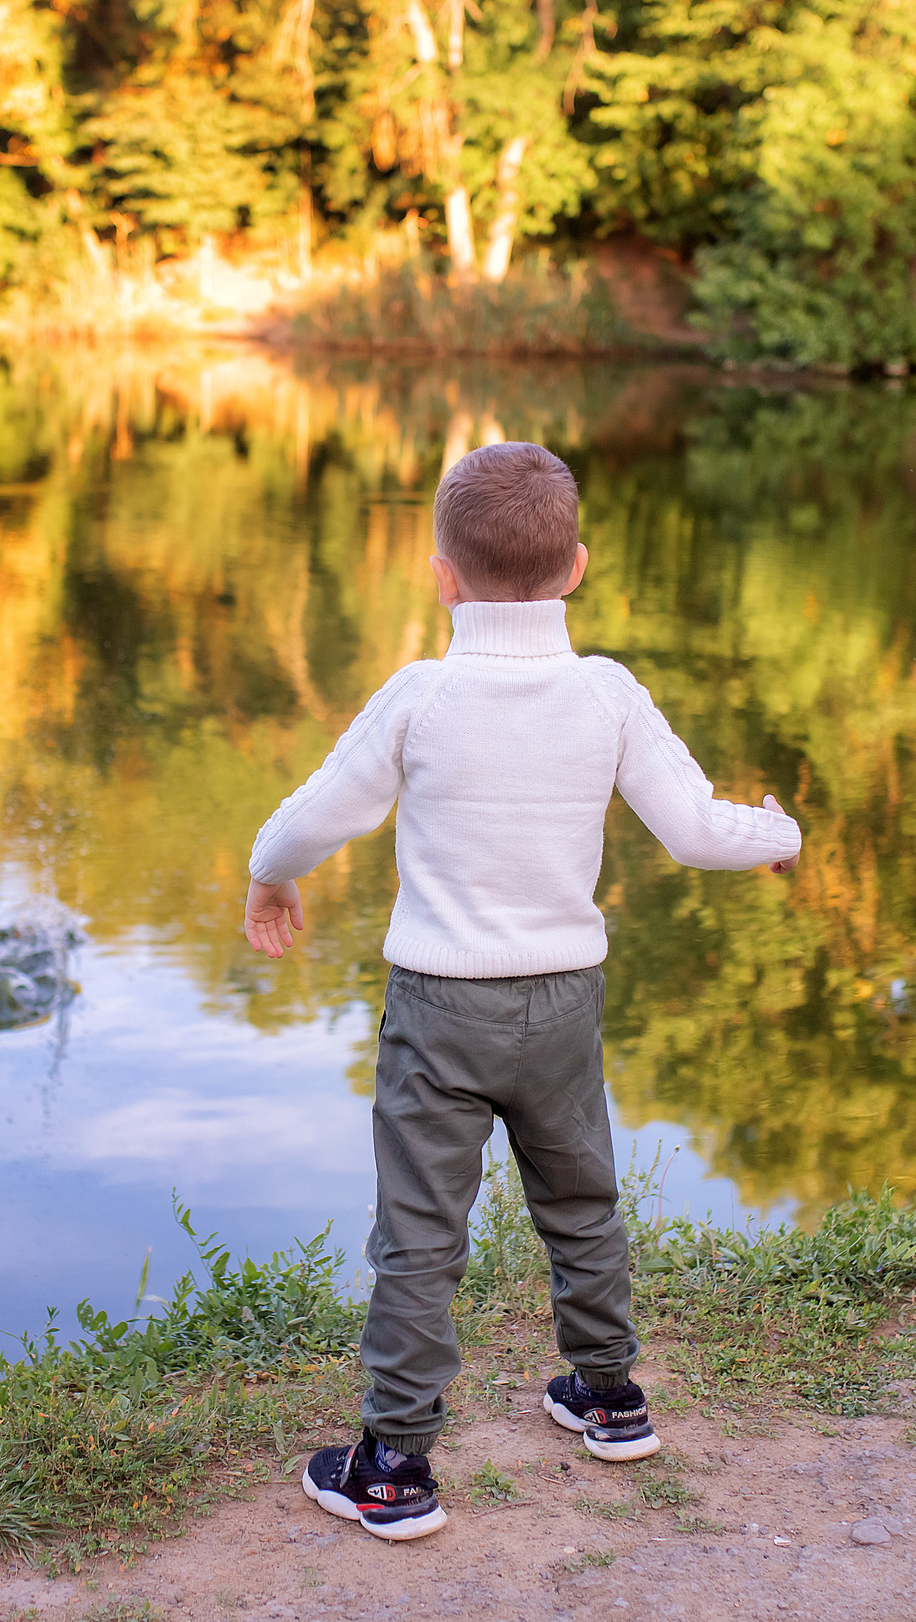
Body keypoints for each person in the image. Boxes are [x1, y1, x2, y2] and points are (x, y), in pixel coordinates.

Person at [240, 440, 801, 1542]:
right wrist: (777, 833)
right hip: (561, 1006)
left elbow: (315, 813)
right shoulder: (606, 694)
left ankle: (395, 1465)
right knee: (580, 1204)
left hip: (440, 1009)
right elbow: (694, 833)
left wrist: (269, 876)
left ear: (441, 576)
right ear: (577, 567)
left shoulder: (420, 695)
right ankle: (609, 1397)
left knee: (419, 1235)